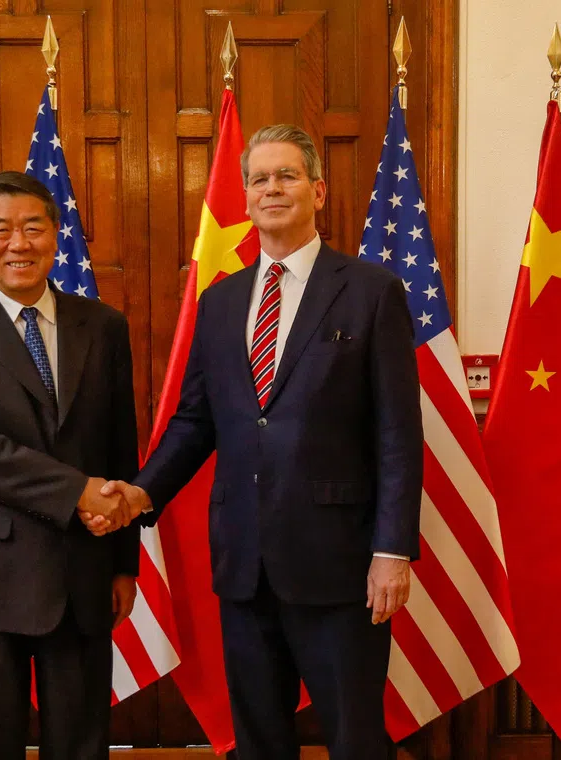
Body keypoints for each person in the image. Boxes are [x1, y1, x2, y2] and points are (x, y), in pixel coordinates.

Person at [99, 125, 424, 760]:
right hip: (245, 562)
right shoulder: (219, 302)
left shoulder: (370, 291)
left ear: (318, 190)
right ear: (245, 198)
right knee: (259, 741)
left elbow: (397, 433)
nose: (271, 188)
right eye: (259, 179)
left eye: (286, 176)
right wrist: (140, 493)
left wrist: (393, 549)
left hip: (341, 564)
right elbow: (196, 421)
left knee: (356, 739)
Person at [0, 171, 141, 760]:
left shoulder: (104, 327)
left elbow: (120, 447)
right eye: (2, 229)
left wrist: (124, 562)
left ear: (56, 235)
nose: (19, 243)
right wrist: (81, 492)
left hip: (83, 573)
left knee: (82, 745)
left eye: (34, 227)